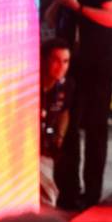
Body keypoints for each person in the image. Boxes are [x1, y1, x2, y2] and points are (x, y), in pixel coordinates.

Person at [43, 0, 112, 210]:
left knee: (96, 131)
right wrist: (58, 3)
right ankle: (69, 192)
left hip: (98, 66)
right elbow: (51, 19)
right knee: (69, 129)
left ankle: (92, 194)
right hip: (71, 68)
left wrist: (78, 7)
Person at [40, 38, 72, 208]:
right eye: (55, 60)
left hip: (47, 152)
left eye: (65, 61)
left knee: (49, 195)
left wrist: (59, 136)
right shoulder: (32, 87)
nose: (61, 66)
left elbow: (65, 111)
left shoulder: (64, 86)